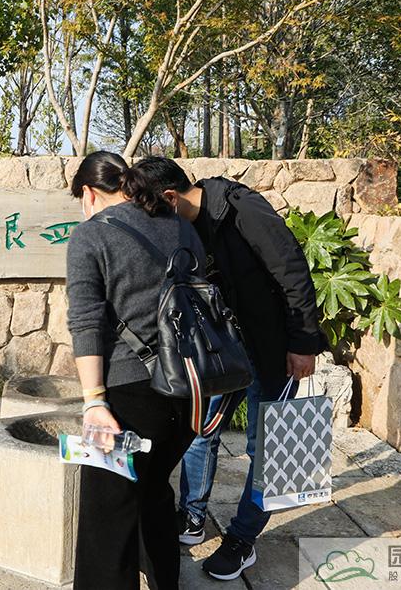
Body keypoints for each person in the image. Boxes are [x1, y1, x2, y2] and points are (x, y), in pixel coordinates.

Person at [133, 157, 326, 581]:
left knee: (267, 449)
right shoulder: (185, 226)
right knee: (200, 431)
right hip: (221, 352)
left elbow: (293, 271)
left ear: (171, 197)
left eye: (152, 210)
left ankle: (242, 539)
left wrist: (303, 343)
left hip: (271, 350)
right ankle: (192, 515)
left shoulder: (242, 209)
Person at [67, 151, 206, 590]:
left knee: (106, 521)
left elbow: (86, 323)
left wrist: (94, 402)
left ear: (89, 193)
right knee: (153, 492)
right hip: (189, 389)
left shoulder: (91, 235)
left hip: (130, 395)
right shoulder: (179, 225)